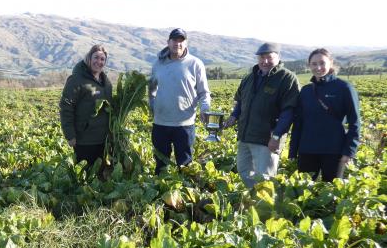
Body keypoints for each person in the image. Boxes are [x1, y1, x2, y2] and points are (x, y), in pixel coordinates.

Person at [225, 42, 300, 187]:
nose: (264, 61)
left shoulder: (287, 79)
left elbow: (289, 111)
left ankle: (265, 207)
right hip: (245, 137)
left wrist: (276, 136)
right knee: (244, 171)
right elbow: (241, 102)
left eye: (269, 57)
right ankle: (252, 201)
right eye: (261, 57)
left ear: (278, 57)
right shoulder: (249, 78)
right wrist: (234, 116)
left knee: (265, 179)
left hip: (267, 140)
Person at [289, 48, 361, 181]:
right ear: (309, 65)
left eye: (322, 63)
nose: (318, 67)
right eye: (314, 64)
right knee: (304, 193)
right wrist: (293, 150)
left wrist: (349, 151)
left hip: (334, 151)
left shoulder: (344, 88)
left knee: (331, 193)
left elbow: (355, 123)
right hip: (307, 150)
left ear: (331, 63)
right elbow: (298, 123)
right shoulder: (306, 91)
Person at [148, 28, 211, 174]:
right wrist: (153, 106)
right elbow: (151, 90)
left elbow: (204, 92)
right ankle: (160, 192)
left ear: (186, 43)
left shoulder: (195, 63)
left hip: (184, 125)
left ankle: (184, 194)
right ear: (168, 42)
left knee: (185, 166)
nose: (178, 43)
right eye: (174, 40)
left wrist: (205, 109)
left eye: (181, 40)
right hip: (160, 123)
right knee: (160, 165)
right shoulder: (157, 64)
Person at [60, 44, 112, 167]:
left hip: (103, 139)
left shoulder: (106, 82)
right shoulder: (76, 79)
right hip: (84, 139)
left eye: (102, 59)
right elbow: (66, 107)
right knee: (85, 177)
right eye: (96, 57)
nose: (99, 61)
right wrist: (70, 135)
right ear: (89, 58)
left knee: (100, 176)